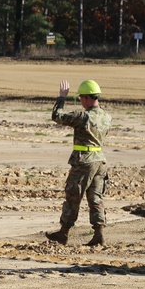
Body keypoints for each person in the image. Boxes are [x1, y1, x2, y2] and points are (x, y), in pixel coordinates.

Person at [45, 79, 111, 247]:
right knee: (96, 198)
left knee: (73, 196)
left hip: (84, 161)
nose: (80, 101)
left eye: (81, 97)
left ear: (88, 98)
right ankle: (99, 234)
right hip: (100, 161)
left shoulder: (83, 116)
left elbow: (56, 116)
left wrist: (61, 98)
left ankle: (63, 233)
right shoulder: (106, 116)